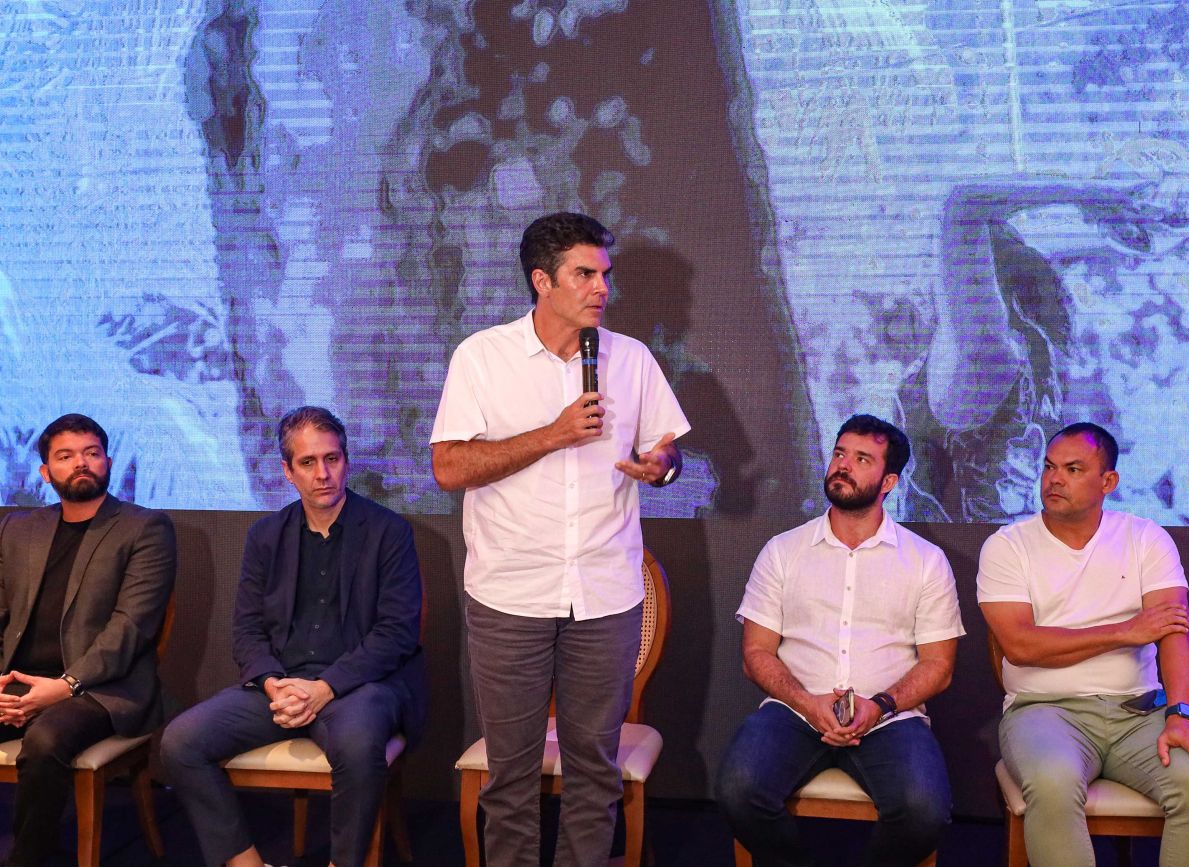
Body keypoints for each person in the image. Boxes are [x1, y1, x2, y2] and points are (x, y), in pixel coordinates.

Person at [430, 211, 689, 866]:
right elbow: (450, 467)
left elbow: (667, 454)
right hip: (510, 595)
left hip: (605, 594)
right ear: (542, 280)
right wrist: (553, 433)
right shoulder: (483, 357)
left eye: (605, 273)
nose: (602, 287)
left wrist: (660, 466)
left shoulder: (631, 358)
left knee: (594, 773)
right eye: (584, 274)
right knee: (511, 776)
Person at [160, 406, 426, 867]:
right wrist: (272, 684)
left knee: (358, 746)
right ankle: (246, 864)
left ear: (346, 462)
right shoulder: (266, 535)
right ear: (288, 471)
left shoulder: (389, 531)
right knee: (180, 742)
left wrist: (325, 688)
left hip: (359, 687)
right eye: (308, 462)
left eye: (332, 459)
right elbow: (247, 629)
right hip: (281, 685)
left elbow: (395, 634)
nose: (323, 474)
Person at [978, 422, 1189, 867]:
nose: (1054, 479)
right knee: (1053, 782)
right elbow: (1020, 646)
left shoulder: (1145, 538)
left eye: (1073, 469)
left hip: (1140, 714)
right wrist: (1122, 632)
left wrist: (1181, 714)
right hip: (1045, 711)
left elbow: (1174, 630)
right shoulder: (1008, 546)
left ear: (1108, 482)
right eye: (1050, 467)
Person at [715, 414, 964, 867]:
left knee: (924, 810)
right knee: (738, 789)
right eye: (839, 453)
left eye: (862, 459)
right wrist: (808, 703)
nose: (843, 465)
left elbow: (939, 666)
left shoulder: (926, 561)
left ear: (889, 481)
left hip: (889, 717)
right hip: (795, 710)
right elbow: (755, 654)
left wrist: (880, 706)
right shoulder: (783, 551)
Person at [0, 413, 176, 867]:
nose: (80, 463)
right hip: (18, 681)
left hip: (102, 691)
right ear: (46, 472)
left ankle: (29, 859)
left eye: (91, 453)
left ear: (108, 462)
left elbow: (130, 628)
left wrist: (63, 687)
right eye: (65, 456)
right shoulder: (18, 528)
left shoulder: (145, 528)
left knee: (45, 740)